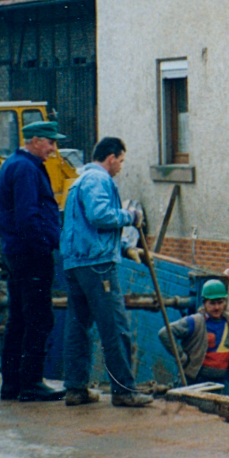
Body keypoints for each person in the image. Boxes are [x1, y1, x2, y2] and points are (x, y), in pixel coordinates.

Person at [59, 136, 153, 408]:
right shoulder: (98, 180)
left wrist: (124, 247)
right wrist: (131, 216)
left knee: (78, 326)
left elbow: (86, 229)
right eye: (121, 161)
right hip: (97, 265)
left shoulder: (79, 180)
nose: (121, 167)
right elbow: (100, 216)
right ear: (111, 158)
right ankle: (124, 390)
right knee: (115, 327)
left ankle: (75, 388)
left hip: (76, 264)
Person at [0, 120, 66, 402]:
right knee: (38, 318)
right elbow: (27, 215)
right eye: (50, 142)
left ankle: (11, 384)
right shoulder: (26, 168)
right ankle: (31, 382)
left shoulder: (13, 164)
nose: (53, 149)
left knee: (18, 319)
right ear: (35, 141)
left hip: (16, 252)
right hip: (30, 254)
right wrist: (44, 247)